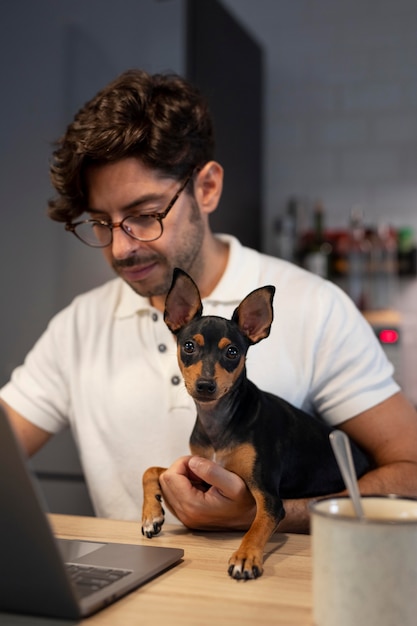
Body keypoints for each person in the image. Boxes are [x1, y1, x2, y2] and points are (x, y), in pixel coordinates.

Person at [1, 69, 417, 533]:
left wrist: (266, 516)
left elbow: (411, 472)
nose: (120, 248)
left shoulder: (316, 308)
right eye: (101, 222)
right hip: (127, 600)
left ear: (207, 188)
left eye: (144, 215)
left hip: (271, 596)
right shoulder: (78, 327)